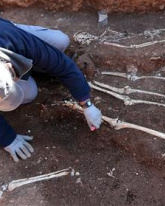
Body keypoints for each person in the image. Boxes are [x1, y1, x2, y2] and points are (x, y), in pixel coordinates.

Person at [0, 17, 102, 162]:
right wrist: (8, 139)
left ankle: (30, 63)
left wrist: (87, 104)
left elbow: (61, 64)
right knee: (30, 93)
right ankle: (30, 66)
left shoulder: (13, 38)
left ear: (9, 66)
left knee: (61, 41)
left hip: (7, 32)